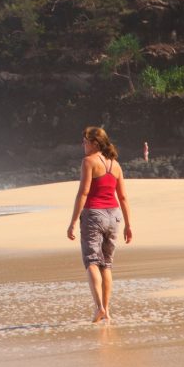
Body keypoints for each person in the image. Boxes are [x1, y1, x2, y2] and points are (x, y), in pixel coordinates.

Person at [66, 126, 133, 323]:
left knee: (92, 262)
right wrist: (128, 225)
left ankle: (99, 308)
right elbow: (123, 197)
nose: (83, 144)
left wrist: (72, 222)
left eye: (85, 141)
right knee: (107, 265)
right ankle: (107, 310)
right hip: (114, 216)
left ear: (95, 143)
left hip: (94, 215)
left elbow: (83, 193)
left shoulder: (88, 162)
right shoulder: (116, 165)